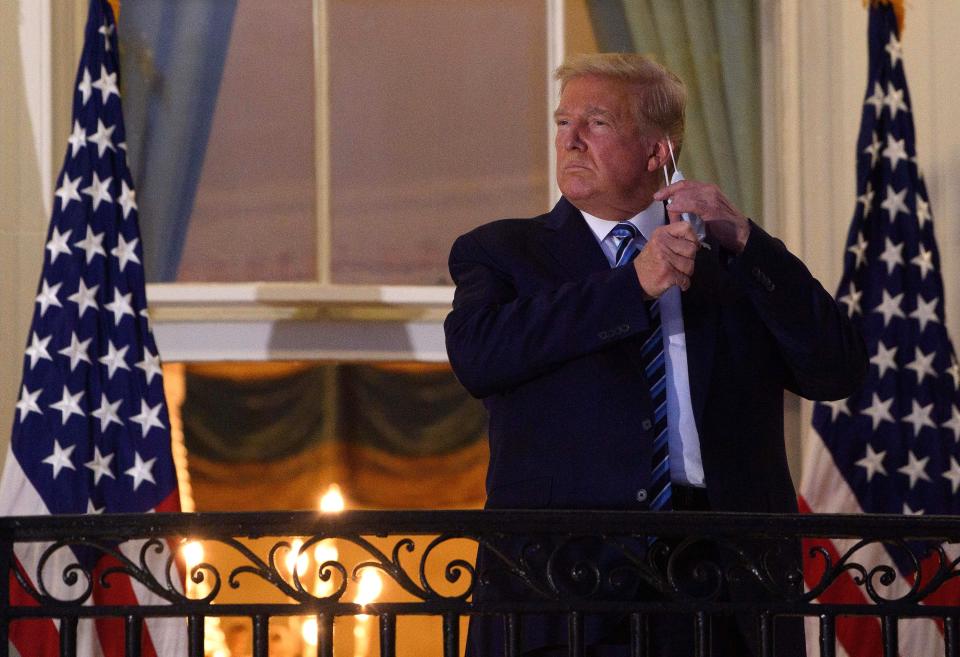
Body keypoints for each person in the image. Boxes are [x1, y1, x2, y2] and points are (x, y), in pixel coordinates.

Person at [444, 53, 867, 657]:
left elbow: (837, 369)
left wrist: (750, 242)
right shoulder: (503, 251)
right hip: (563, 589)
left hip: (724, 583)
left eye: (596, 123)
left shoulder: (731, 262)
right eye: (564, 123)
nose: (571, 140)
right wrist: (632, 284)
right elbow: (479, 357)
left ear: (657, 152)